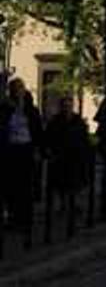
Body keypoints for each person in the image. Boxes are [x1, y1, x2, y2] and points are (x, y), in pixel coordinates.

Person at [1, 78, 44, 235]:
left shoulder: (31, 110)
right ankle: (13, 217)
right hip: (11, 151)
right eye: (15, 88)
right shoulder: (5, 108)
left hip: (26, 150)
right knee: (11, 186)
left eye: (20, 88)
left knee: (26, 186)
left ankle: (25, 218)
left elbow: (37, 131)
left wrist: (38, 150)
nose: (18, 91)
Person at [43, 95, 90, 211]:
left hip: (76, 155)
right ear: (61, 107)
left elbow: (84, 137)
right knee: (61, 182)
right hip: (60, 155)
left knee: (76, 181)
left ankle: (75, 203)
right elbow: (48, 137)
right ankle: (64, 204)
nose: (67, 108)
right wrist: (49, 151)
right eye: (65, 106)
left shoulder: (78, 120)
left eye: (69, 106)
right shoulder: (55, 120)